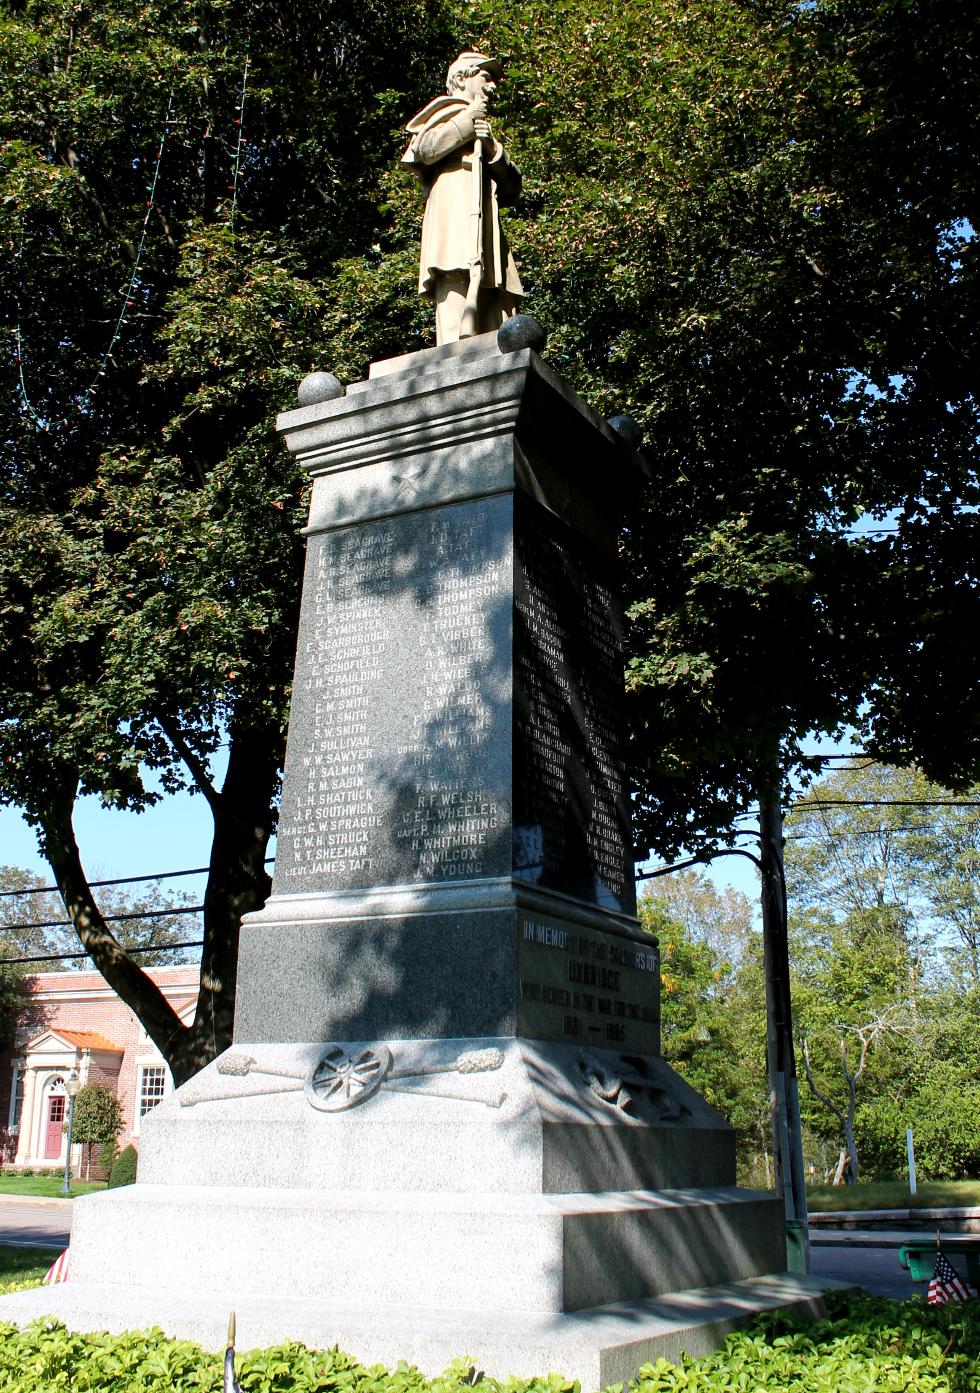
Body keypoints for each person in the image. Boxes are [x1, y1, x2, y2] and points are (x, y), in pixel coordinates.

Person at [402, 52, 523, 345]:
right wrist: (466, 123)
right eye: (486, 77)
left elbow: (512, 188)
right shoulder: (442, 113)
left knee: (499, 299)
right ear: (461, 79)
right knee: (455, 276)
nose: (492, 86)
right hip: (453, 207)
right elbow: (425, 150)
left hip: (486, 220)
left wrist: (493, 148)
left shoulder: (488, 133)